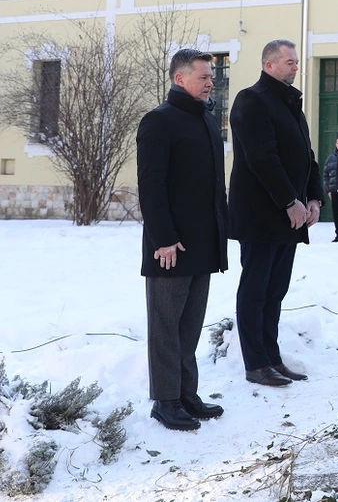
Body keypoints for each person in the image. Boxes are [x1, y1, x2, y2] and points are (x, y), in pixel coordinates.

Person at [136, 48, 228, 431]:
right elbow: (151, 185)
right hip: (170, 246)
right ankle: (166, 400)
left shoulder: (206, 121)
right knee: (165, 327)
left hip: (203, 242)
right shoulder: (159, 121)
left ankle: (187, 394)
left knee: (190, 326)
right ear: (180, 79)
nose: (211, 83)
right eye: (204, 77)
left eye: (211, 77)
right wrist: (164, 239)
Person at [228, 39, 321, 389]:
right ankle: (255, 363)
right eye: (288, 62)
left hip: (290, 214)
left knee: (276, 289)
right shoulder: (251, 100)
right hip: (261, 213)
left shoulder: (291, 103)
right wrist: (288, 200)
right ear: (268, 65)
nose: (295, 66)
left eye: (296, 62)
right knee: (256, 288)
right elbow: (261, 158)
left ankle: (272, 357)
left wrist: (313, 198)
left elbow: (307, 156)